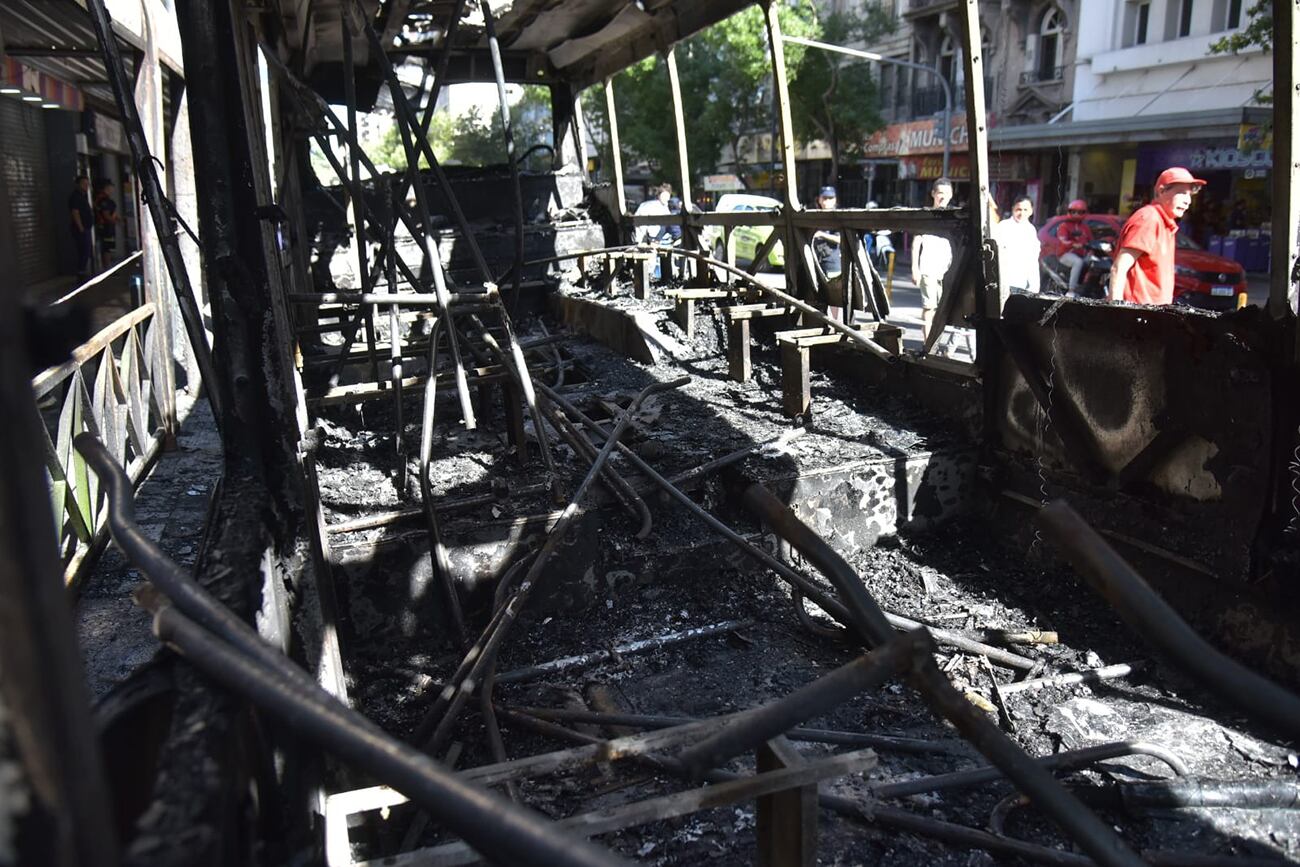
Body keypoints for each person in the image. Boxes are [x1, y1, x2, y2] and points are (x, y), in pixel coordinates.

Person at [1109, 166, 1205, 305]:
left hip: (1153, 315)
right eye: (1182, 193)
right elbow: (1119, 268)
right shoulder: (1149, 219)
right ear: (1161, 191)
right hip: (1137, 315)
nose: (1188, 201)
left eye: (1190, 195)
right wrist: (1115, 310)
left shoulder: (1165, 223)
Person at [912, 177, 954, 342]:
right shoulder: (926, 215)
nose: (942, 197)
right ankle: (928, 343)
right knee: (929, 307)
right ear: (933, 194)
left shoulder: (954, 217)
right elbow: (917, 242)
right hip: (928, 268)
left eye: (946, 193)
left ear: (951, 195)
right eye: (940, 193)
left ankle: (936, 341)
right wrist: (915, 268)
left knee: (944, 309)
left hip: (948, 270)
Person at [992, 196, 1040, 295]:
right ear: (1013, 209)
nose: (1022, 213)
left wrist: (1035, 285)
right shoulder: (1003, 226)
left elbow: (1033, 260)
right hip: (1003, 280)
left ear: (1031, 211)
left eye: (1025, 210)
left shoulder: (1031, 230)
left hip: (1022, 283)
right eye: (1018, 209)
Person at [1055, 198, 1094, 293]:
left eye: (1080, 212)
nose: (1076, 214)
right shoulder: (1064, 226)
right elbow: (1063, 240)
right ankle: (1071, 290)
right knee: (1078, 262)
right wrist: (1074, 244)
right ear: (1069, 212)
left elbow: (1091, 240)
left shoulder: (1085, 227)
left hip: (1083, 254)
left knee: (1094, 261)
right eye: (1074, 212)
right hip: (1066, 254)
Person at [812, 185, 842, 278]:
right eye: (824, 198)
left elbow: (840, 239)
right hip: (816, 261)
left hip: (831, 262)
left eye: (830, 198)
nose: (827, 201)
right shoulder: (814, 216)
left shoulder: (838, 217)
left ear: (835, 200)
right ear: (819, 199)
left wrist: (821, 234)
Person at [68, 174, 94, 277]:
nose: (86, 186)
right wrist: (81, 228)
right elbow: (75, 212)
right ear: (78, 185)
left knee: (86, 250)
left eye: (87, 184)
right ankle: (81, 273)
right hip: (81, 229)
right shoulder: (75, 197)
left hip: (86, 228)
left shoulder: (83, 196)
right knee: (83, 251)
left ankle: (83, 271)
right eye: (84, 184)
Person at [94, 181, 122, 270]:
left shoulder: (105, 200)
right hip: (106, 227)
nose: (112, 190)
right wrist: (114, 221)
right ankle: (107, 267)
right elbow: (106, 214)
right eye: (110, 188)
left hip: (108, 226)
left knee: (108, 247)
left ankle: (108, 266)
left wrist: (118, 219)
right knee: (107, 248)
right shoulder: (104, 200)